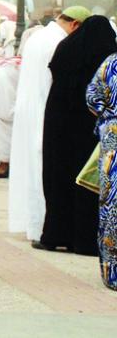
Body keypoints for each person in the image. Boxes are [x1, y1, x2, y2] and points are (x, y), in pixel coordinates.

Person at [37, 15, 117, 255]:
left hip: (59, 127)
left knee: (58, 179)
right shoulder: (107, 56)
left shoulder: (65, 49)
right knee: (90, 187)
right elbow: (94, 99)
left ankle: (55, 234)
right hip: (91, 134)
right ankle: (86, 240)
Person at [8, 6, 89, 241]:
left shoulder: (38, 36)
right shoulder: (57, 42)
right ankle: (43, 225)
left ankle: (33, 223)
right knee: (44, 169)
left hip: (30, 108)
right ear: (75, 25)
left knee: (31, 168)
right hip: (44, 109)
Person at [85, 51, 117, 290]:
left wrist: (108, 119)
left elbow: (92, 98)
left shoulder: (110, 62)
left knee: (112, 206)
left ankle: (112, 272)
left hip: (113, 139)